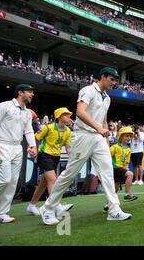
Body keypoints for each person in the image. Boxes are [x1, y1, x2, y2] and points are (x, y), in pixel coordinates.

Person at [39, 67, 132, 225]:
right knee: (70, 173)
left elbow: (103, 119)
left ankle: (114, 209)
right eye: (112, 79)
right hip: (82, 136)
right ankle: (47, 208)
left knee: (107, 172)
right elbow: (80, 112)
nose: (114, 83)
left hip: (98, 138)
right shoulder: (88, 90)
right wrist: (99, 128)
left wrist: (105, 137)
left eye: (116, 80)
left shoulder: (107, 98)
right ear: (103, 77)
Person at [0, 84, 38, 223]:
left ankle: (0, 213)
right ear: (20, 92)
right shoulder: (4, 105)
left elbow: (28, 131)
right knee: (2, 181)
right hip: (1, 145)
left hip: (17, 148)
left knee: (11, 182)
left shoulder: (27, 112)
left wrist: (33, 146)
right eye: (29, 91)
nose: (32, 94)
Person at [26, 107, 74, 216]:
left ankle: (31, 206)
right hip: (44, 155)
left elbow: (67, 147)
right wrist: (31, 148)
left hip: (56, 157)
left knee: (43, 183)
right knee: (52, 180)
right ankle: (56, 205)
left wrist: (71, 158)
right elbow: (35, 138)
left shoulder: (67, 131)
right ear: (59, 117)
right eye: (66, 114)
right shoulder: (48, 128)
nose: (69, 117)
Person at [103, 126, 137, 212]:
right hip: (114, 168)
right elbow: (107, 157)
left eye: (130, 136)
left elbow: (126, 163)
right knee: (130, 174)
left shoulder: (128, 150)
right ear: (121, 136)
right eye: (126, 136)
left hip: (121, 169)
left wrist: (126, 169)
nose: (129, 138)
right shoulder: (114, 147)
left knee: (115, 189)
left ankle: (107, 205)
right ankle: (127, 194)